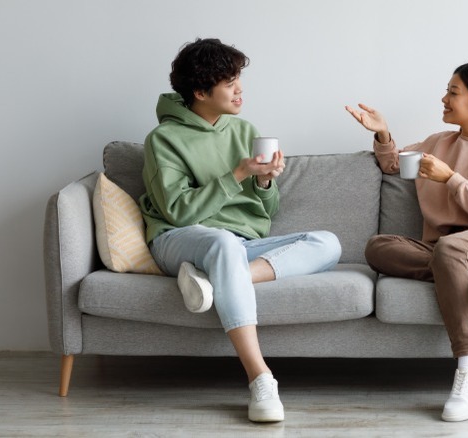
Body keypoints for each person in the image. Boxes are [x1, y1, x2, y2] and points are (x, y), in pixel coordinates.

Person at [140, 38, 342, 423]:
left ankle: (219, 281)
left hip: (238, 245)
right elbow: (178, 211)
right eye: (230, 82)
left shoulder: (243, 129)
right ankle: (260, 377)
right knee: (220, 243)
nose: (240, 89)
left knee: (327, 243)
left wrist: (264, 183)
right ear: (201, 92)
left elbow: (266, 214)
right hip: (179, 240)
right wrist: (238, 174)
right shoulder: (162, 140)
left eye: (239, 79)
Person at [345, 62, 468, 422]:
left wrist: (450, 177)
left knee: (452, 250)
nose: (444, 98)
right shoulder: (438, 142)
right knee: (378, 247)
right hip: (458, 246)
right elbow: (394, 166)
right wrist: (383, 133)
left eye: (453, 92)